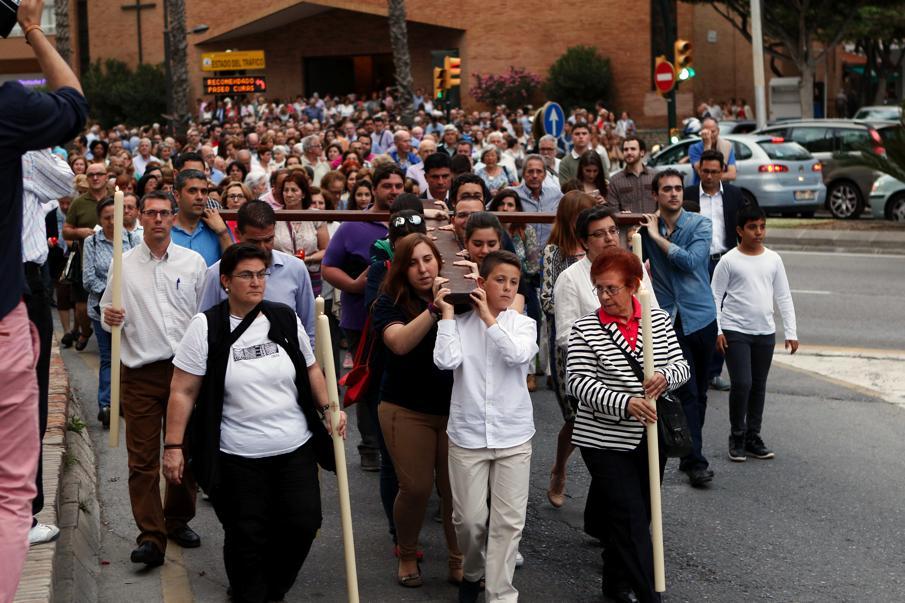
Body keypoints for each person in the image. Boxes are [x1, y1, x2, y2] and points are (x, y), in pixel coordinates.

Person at [163, 243, 347, 603]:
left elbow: (310, 368)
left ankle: (271, 590)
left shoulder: (282, 318)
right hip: (237, 456)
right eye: (247, 275)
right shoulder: (207, 327)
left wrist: (328, 408)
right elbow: (182, 391)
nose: (257, 282)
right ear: (226, 281)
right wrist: (173, 447)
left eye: (262, 274)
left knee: (303, 525)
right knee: (246, 536)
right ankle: (252, 593)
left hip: (294, 448)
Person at [0, 2, 87, 594]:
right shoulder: (8, 110)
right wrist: (32, 28)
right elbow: (74, 104)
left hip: (21, 289)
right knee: (10, 491)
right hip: (2, 311)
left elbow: (65, 183)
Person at [567, 247, 690, 603]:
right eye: (599, 289)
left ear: (634, 285)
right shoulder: (586, 328)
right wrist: (626, 403)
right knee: (630, 517)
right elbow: (577, 382)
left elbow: (682, 367)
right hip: (602, 438)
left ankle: (615, 582)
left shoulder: (658, 320)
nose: (605, 296)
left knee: (639, 515)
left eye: (612, 289)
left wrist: (665, 377)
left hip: (650, 437)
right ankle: (651, 596)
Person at [101, 190, 208, 567]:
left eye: (165, 213)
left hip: (185, 372)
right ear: (140, 218)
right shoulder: (123, 263)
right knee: (142, 460)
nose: (159, 219)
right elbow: (107, 309)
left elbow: (202, 318)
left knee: (184, 452)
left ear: (173, 216)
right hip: (141, 372)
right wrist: (109, 317)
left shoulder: (193, 263)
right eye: (151, 213)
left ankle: (177, 519)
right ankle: (151, 536)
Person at [434, 250, 538, 603]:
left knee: (509, 524)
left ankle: (499, 595)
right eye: (500, 280)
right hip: (468, 437)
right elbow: (445, 360)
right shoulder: (460, 326)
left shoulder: (523, 324)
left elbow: (518, 355)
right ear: (481, 283)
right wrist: (448, 313)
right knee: (469, 521)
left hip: (513, 435)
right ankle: (473, 571)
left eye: (513, 282)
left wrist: (490, 321)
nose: (508, 288)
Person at [371, 233, 463, 588]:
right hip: (405, 408)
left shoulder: (461, 296)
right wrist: (434, 309)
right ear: (401, 269)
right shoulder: (388, 302)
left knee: (456, 489)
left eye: (428, 259)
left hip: (455, 408)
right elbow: (399, 343)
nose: (423, 269)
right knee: (416, 487)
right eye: (413, 262)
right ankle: (407, 553)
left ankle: (460, 560)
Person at [640, 169, 718, 488]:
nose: (673, 193)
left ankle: (689, 451)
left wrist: (658, 238)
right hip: (669, 320)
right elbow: (632, 262)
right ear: (656, 195)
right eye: (666, 189)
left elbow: (691, 262)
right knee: (686, 390)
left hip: (701, 316)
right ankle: (696, 461)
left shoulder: (700, 224)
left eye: (677, 188)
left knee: (700, 392)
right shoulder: (644, 230)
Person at [322, 164, 402, 471]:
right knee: (367, 382)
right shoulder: (352, 224)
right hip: (360, 320)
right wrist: (354, 285)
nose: (393, 191)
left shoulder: (412, 221)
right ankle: (370, 446)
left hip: (404, 319)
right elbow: (329, 265)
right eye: (387, 186)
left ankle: (397, 443)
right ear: (376, 188)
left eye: (398, 185)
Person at [711, 205, 798, 462]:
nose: (758, 232)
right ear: (739, 230)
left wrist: (791, 332)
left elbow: (783, 295)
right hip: (735, 330)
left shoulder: (773, 259)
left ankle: (752, 436)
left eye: (762, 226)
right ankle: (736, 435)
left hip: (764, 332)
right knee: (742, 383)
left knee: (758, 386)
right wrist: (717, 330)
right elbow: (714, 296)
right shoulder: (728, 260)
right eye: (752, 227)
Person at [197, 200, 316, 347]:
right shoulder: (216, 273)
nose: (262, 248)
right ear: (238, 234)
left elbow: (309, 327)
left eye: (268, 240)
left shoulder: (296, 268)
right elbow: (203, 330)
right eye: (253, 242)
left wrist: (308, 364)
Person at [540, 192, 597, 460]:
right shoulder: (554, 252)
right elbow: (547, 300)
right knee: (574, 415)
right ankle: (560, 468)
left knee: (599, 411)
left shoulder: (600, 252)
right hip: (567, 347)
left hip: (604, 342)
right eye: (578, 217)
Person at [683, 149, 745, 392]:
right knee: (698, 313)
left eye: (714, 171)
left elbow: (743, 226)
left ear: (722, 172)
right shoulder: (688, 194)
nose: (709, 176)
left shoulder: (733, 195)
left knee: (723, 313)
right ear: (699, 171)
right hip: (695, 262)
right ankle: (694, 367)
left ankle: (714, 371)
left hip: (725, 259)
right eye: (705, 171)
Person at [81, 198, 139, 428]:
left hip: (128, 309)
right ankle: (106, 405)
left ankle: (125, 400)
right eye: (106, 218)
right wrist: (110, 294)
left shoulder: (133, 240)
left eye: (114, 216)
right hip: (101, 311)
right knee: (108, 357)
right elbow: (88, 278)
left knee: (127, 357)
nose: (111, 222)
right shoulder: (92, 242)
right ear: (100, 220)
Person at [63, 160, 110, 350]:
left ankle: (109, 341)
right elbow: (66, 231)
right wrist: (80, 232)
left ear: (106, 177)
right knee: (82, 308)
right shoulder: (79, 202)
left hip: (113, 262)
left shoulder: (117, 198)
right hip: (86, 262)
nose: (95, 178)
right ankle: (85, 330)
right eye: (91, 175)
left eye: (99, 174)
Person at [272, 170, 329, 295]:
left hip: (309, 275)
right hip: (280, 275)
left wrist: (308, 259)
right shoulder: (274, 216)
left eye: (294, 190)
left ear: (303, 194)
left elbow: (326, 250)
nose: (289, 194)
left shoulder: (315, 216)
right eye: (286, 190)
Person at [170, 168, 234, 266]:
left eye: (204, 191)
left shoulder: (218, 227)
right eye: (192, 191)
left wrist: (223, 233)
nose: (200, 197)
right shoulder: (165, 229)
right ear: (177, 195)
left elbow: (233, 266)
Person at [516, 154, 563, 247]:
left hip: (550, 253)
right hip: (522, 255)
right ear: (523, 174)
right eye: (530, 171)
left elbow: (572, 204)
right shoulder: (513, 194)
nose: (534, 175)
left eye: (539, 171)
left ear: (545, 174)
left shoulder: (555, 193)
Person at [607, 137, 656, 214]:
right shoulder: (614, 181)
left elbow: (664, 202)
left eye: (633, 149)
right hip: (627, 225)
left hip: (654, 224)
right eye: (626, 150)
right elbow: (613, 211)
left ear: (642, 152)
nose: (629, 152)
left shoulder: (655, 177)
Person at [687, 116, 737, 185]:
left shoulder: (727, 146)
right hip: (700, 189)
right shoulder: (694, 148)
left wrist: (713, 177)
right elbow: (701, 173)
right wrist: (707, 146)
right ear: (701, 132)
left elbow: (732, 174)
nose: (710, 135)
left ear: (718, 131)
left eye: (713, 131)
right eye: (707, 132)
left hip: (722, 190)